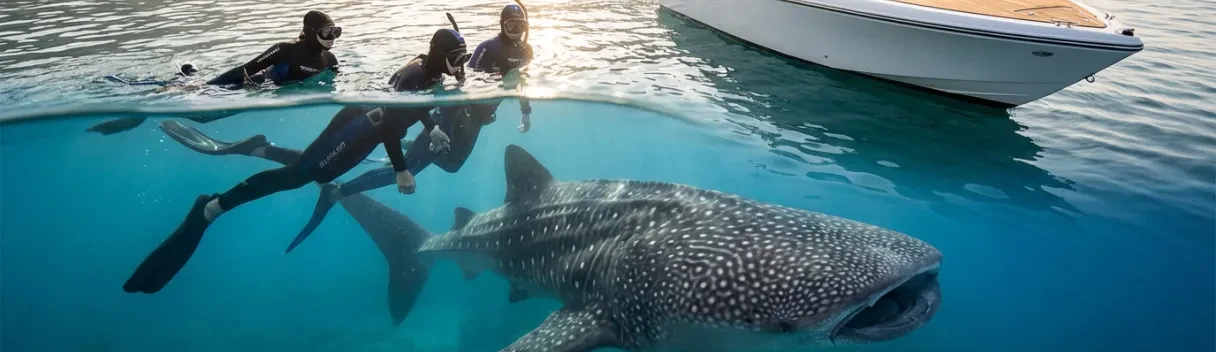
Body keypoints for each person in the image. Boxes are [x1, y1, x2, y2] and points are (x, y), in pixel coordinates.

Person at [122, 25, 473, 294]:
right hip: (360, 129)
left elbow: (413, 108)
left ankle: (260, 149)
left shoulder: (429, 71)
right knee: (300, 175)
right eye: (457, 58)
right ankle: (213, 207)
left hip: (363, 132)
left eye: (463, 59)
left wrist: (433, 127)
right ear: (442, 53)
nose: (460, 66)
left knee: (309, 169)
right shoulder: (416, 74)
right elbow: (389, 122)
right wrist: (401, 171)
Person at [271, 3, 538, 254]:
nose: (516, 32)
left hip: (478, 120)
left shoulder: (526, 52)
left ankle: (413, 147)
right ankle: (338, 191)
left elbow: (523, 82)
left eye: (521, 27)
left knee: (454, 164)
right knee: (412, 168)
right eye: (511, 26)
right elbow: (466, 82)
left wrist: (525, 110)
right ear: (502, 25)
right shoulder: (488, 47)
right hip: (457, 115)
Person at [88, 10, 343, 135]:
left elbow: (337, 86)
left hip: (264, 96)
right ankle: (135, 110)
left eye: (335, 32)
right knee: (190, 105)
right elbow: (243, 70)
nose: (332, 38)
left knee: (204, 119)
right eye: (327, 32)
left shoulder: (330, 59)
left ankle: (188, 75)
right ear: (310, 32)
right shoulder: (285, 50)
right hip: (247, 87)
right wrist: (206, 87)